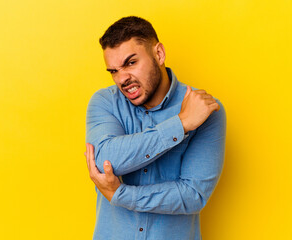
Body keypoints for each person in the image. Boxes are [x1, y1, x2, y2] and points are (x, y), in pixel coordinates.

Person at [85, 16, 226, 240]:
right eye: (113, 71)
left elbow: (193, 195)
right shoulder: (105, 102)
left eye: (131, 63)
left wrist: (121, 194)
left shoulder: (205, 110)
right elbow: (105, 161)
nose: (122, 78)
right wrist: (180, 124)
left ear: (158, 54)